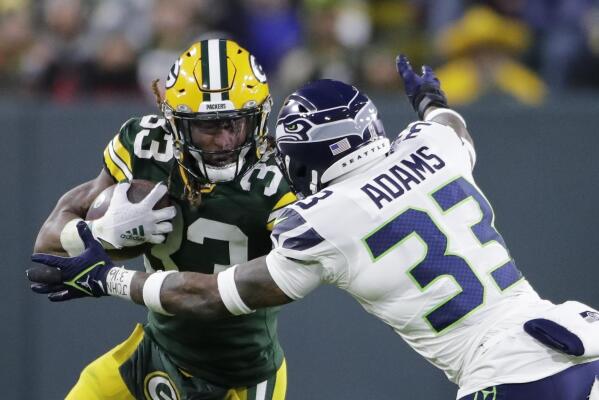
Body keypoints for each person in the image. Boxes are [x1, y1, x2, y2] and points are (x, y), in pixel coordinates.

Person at [29, 55, 599, 399]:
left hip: (504, 372)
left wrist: (108, 279)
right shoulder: (433, 144)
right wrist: (429, 100)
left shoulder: (324, 219)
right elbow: (455, 127)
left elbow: (210, 296)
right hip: (577, 333)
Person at [31, 39, 294, 400]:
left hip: (240, 378)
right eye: (209, 126)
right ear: (176, 124)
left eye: (236, 123)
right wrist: (99, 231)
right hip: (156, 352)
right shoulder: (145, 144)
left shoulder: (280, 181)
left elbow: (211, 297)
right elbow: (48, 240)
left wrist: (110, 277)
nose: (225, 140)